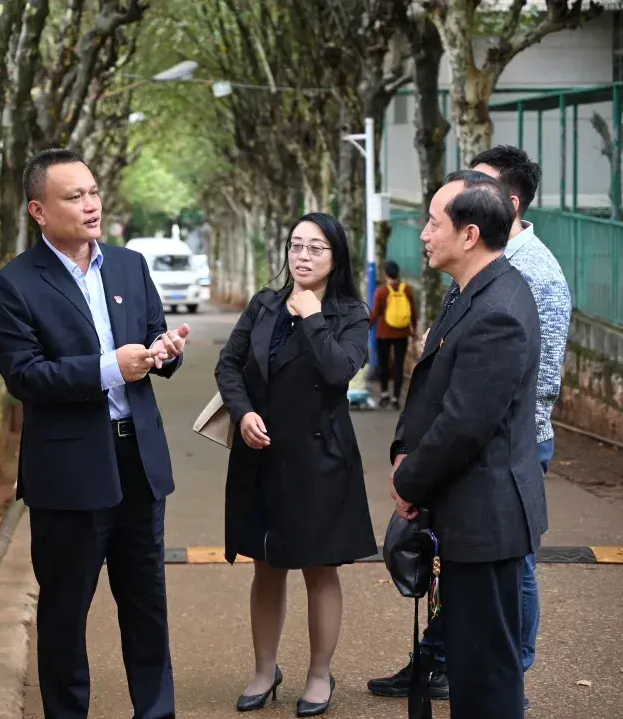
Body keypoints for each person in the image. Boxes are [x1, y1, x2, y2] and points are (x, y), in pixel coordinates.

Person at [0, 147, 190, 719]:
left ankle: (156, 711)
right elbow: (24, 375)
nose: (91, 205)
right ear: (39, 211)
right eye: (74, 197)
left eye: (94, 192)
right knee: (66, 614)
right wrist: (107, 368)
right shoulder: (14, 285)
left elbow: (151, 341)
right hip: (70, 473)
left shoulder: (128, 266)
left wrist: (164, 352)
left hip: (139, 462)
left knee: (147, 606)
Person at [368, 147, 571, 711]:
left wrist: (411, 484)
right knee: (474, 664)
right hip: (466, 511)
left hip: (488, 515)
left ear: (470, 233)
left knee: (487, 676)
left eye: (434, 222)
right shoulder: (474, 290)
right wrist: (406, 451)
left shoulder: (502, 305)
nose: (425, 233)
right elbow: (433, 386)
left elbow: (465, 423)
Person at [215, 213, 377, 717]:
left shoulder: (351, 313)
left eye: (316, 248)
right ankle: (265, 670)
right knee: (266, 565)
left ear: (336, 257)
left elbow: (337, 372)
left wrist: (311, 316)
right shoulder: (264, 303)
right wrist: (243, 414)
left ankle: (319, 675)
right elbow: (228, 365)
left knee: (319, 568)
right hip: (261, 454)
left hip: (320, 459)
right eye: (295, 246)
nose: (302, 257)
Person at [368, 260, 418, 408]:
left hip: (383, 333)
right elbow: (413, 312)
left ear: (385, 274)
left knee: (384, 365)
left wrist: (366, 327)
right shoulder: (406, 289)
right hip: (402, 333)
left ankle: (384, 395)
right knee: (398, 366)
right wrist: (413, 330)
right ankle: (396, 398)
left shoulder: (381, 291)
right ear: (397, 273)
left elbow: (375, 313)